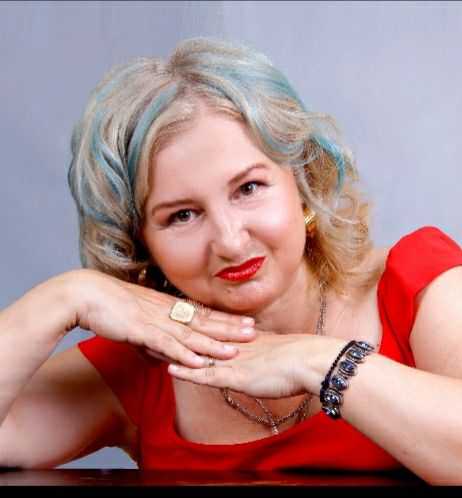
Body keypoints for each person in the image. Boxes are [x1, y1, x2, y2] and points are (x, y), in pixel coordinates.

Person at [0, 37, 461, 485]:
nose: (230, 241)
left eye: (248, 188)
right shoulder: (147, 360)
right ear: (141, 244)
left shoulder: (415, 283)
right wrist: (65, 296)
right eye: (182, 215)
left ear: (301, 180)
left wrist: (317, 362)